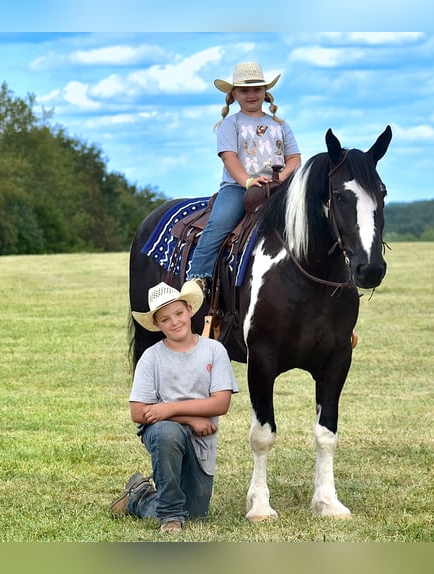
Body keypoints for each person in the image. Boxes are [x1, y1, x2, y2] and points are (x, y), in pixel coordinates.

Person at [109, 280, 239, 534]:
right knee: (166, 431)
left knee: (195, 515)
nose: (175, 322)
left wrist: (168, 410)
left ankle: (139, 497)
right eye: (165, 319)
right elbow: (139, 412)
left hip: (201, 446)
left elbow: (221, 403)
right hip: (164, 435)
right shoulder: (151, 357)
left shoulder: (214, 351)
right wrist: (190, 419)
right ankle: (169, 518)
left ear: (190, 310)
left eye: (179, 313)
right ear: (157, 325)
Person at [186, 61, 302, 295]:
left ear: (265, 93)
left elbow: (295, 158)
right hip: (239, 188)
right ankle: (198, 278)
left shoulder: (279, 124)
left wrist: (282, 177)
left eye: (257, 89)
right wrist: (248, 182)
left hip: (279, 188)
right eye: (244, 90)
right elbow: (229, 158)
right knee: (219, 223)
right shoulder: (231, 124)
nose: (251, 95)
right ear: (234, 94)